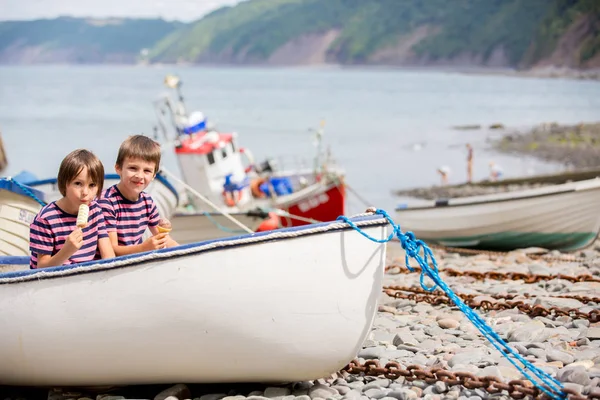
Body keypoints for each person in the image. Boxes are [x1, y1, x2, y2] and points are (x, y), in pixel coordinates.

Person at [29, 149, 115, 269]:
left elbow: (108, 256)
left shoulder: (95, 209)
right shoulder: (45, 219)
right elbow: (41, 268)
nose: (85, 192)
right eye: (78, 184)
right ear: (65, 183)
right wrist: (67, 250)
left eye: (92, 185)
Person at [99, 135, 178, 256]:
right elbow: (112, 250)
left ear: (153, 175)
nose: (139, 175)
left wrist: (185, 252)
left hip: (134, 261)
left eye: (147, 171)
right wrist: (143, 248)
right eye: (133, 168)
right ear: (118, 168)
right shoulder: (107, 202)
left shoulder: (147, 202)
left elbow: (164, 239)